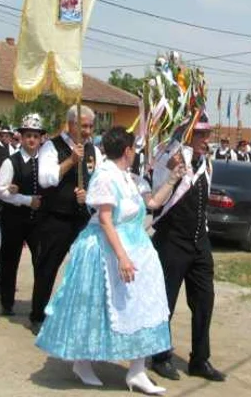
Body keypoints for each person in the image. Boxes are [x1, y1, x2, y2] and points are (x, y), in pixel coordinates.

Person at [36, 126, 186, 394]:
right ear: (127, 151)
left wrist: (173, 179)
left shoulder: (130, 178)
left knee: (139, 307)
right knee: (96, 306)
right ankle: (82, 362)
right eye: (134, 149)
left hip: (136, 246)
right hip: (106, 249)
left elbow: (151, 204)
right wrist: (122, 257)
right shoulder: (105, 176)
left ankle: (137, 371)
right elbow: (105, 220)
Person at [149, 115, 226, 383]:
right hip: (172, 240)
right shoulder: (167, 158)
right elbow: (157, 195)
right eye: (201, 134)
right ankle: (159, 356)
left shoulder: (207, 164)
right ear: (188, 135)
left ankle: (200, 359)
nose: (207, 140)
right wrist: (172, 170)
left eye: (208, 134)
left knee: (205, 300)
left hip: (199, 242)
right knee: (165, 301)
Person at [29, 104, 102, 333]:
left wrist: (88, 194)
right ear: (70, 124)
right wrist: (70, 160)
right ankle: (38, 314)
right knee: (47, 267)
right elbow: (45, 179)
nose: (88, 131)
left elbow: (98, 179)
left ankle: (76, 314)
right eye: (84, 126)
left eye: (91, 126)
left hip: (82, 219)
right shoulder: (52, 146)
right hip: (56, 218)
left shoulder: (93, 150)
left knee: (84, 268)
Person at [0, 113, 45, 316]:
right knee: (9, 261)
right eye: (27, 136)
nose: (31, 140)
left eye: (35, 135)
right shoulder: (11, 161)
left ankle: (39, 305)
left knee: (41, 261)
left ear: (41, 138)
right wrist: (25, 199)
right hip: (14, 219)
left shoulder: (46, 161)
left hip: (37, 221)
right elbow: (1, 191)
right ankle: (7, 303)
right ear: (21, 138)